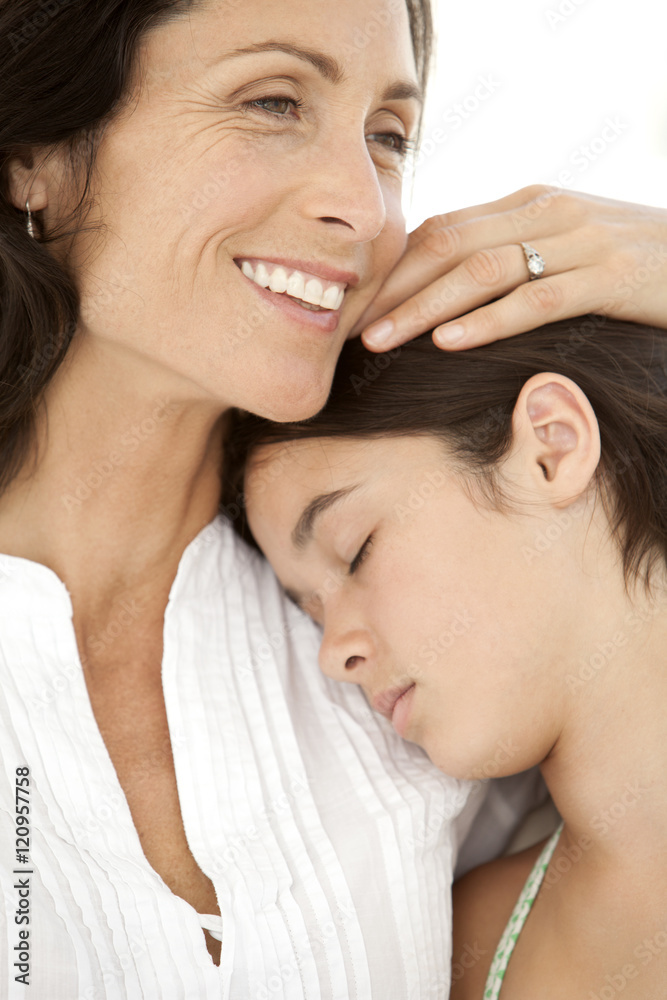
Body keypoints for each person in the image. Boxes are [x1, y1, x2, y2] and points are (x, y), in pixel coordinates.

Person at [2, 0, 667, 994]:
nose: (365, 209)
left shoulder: (430, 656)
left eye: (388, 137)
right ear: (36, 155)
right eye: (273, 102)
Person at [231, 314, 667, 999]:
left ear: (551, 448)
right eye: (309, 611)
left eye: (356, 551)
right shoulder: (469, 949)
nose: (331, 655)